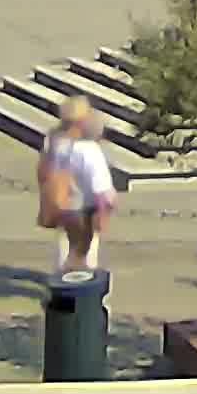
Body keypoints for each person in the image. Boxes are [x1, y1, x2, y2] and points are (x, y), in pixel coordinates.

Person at [39, 99, 119, 277]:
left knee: (64, 246)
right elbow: (101, 187)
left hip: (62, 202)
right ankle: (82, 286)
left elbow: (45, 170)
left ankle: (61, 281)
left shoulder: (55, 141)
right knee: (86, 253)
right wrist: (106, 208)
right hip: (85, 208)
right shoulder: (89, 151)